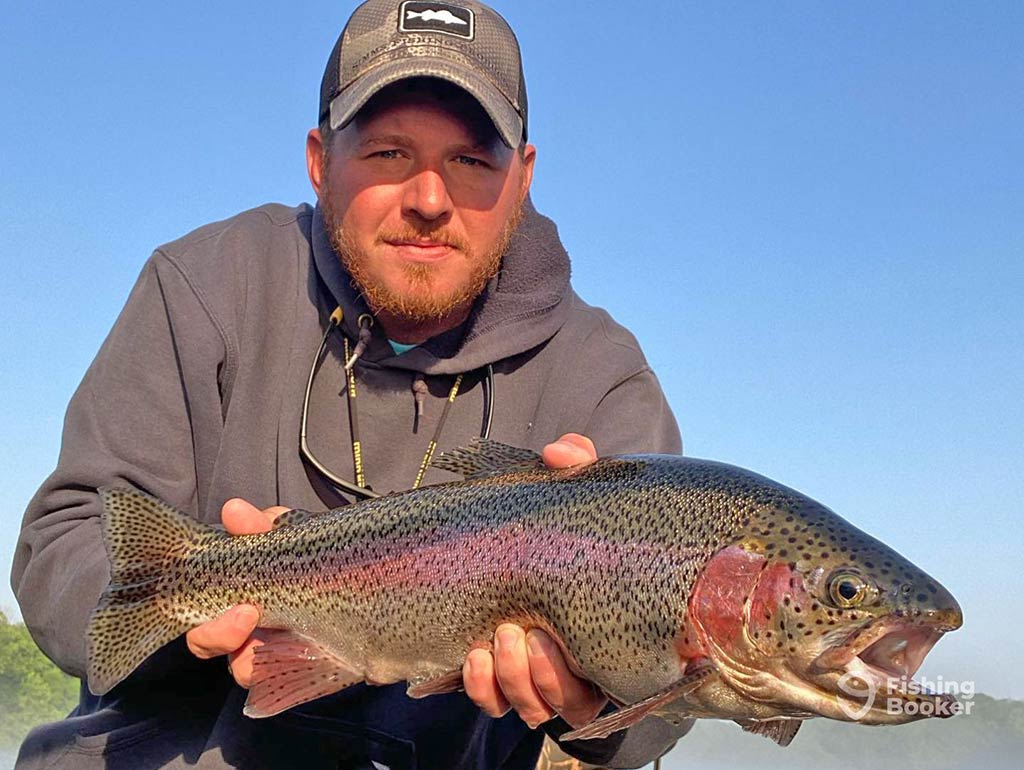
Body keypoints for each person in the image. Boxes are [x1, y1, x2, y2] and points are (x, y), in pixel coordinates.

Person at [11, 1, 684, 768]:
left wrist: (603, 702)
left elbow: (670, 705)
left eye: (470, 161)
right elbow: (60, 543)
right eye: (390, 153)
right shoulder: (204, 284)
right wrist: (184, 622)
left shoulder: (603, 376)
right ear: (319, 158)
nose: (429, 200)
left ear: (523, 176)